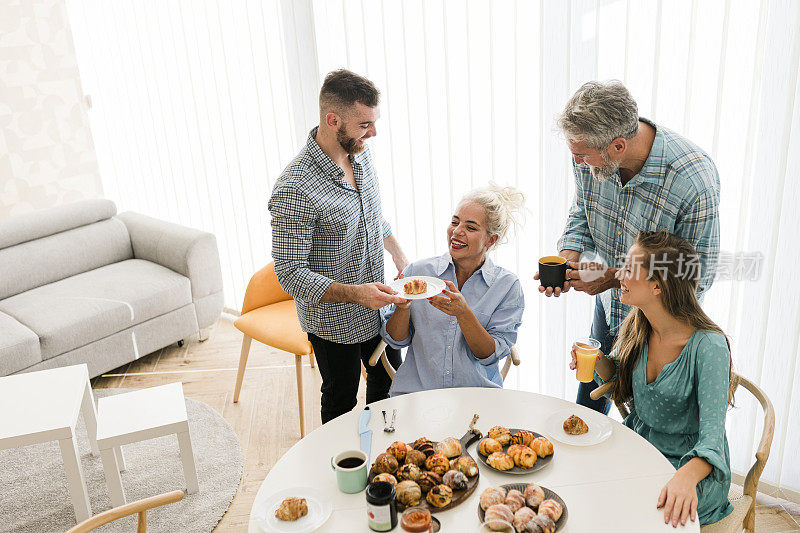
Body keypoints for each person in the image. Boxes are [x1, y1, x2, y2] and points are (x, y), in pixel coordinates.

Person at [538, 80, 721, 414]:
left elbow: (697, 275)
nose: (577, 162)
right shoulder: (592, 154)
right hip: (611, 306)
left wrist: (613, 277)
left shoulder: (692, 181)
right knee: (588, 410)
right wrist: (569, 257)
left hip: (658, 324)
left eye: (581, 155)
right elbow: (582, 211)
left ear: (618, 146)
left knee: (647, 423)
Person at [269, 69, 409, 424]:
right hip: (334, 324)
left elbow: (371, 214)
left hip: (377, 309)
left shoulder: (359, 153)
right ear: (333, 121)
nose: (373, 133)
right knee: (341, 398)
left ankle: (384, 455)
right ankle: (339, 469)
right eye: (365, 124)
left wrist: (397, 252)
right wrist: (357, 294)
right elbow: (290, 274)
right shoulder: (294, 189)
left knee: (391, 386)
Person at [570, 230, 734, 527]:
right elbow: (618, 381)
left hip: (693, 468)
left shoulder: (709, 347)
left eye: (630, 269)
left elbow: (712, 441)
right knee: (583, 483)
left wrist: (684, 477)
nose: (619, 274)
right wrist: (597, 361)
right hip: (641, 448)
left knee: (635, 511)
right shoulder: (638, 325)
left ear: (657, 286)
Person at [381, 184, 525, 395]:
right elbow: (396, 340)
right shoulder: (418, 272)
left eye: (471, 227)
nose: (457, 232)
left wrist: (463, 314)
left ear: (491, 240)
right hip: (418, 394)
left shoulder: (506, 286)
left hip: (476, 395)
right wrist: (402, 308)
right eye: (455, 222)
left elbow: (488, 355)